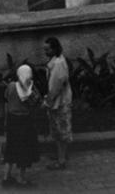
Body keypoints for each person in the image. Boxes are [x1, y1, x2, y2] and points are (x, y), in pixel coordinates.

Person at [1, 65, 40, 187]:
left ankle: (6, 177)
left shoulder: (11, 86)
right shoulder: (30, 89)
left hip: (12, 120)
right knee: (24, 150)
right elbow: (35, 102)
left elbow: (6, 100)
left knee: (11, 148)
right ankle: (21, 178)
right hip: (25, 121)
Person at [43, 37, 72, 170]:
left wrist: (48, 101)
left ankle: (61, 160)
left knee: (61, 132)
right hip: (58, 101)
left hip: (59, 102)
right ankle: (61, 155)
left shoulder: (58, 64)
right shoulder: (56, 61)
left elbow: (56, 86)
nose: (45, 52)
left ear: (54, 48)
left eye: (47, 49)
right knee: (57, 130)